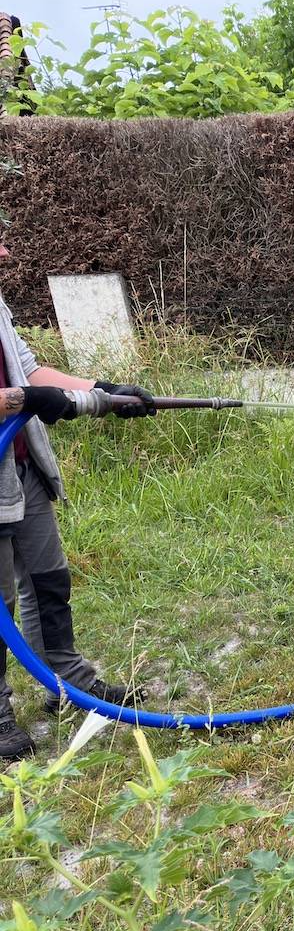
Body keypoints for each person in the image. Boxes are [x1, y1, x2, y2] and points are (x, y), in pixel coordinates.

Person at [0, 271, 157, 758]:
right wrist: (23, 401)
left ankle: (65, 680)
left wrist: (104, 392)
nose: (5, 250)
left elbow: (28, 370)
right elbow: (26, 393)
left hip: (19, 467)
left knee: (48, 578)